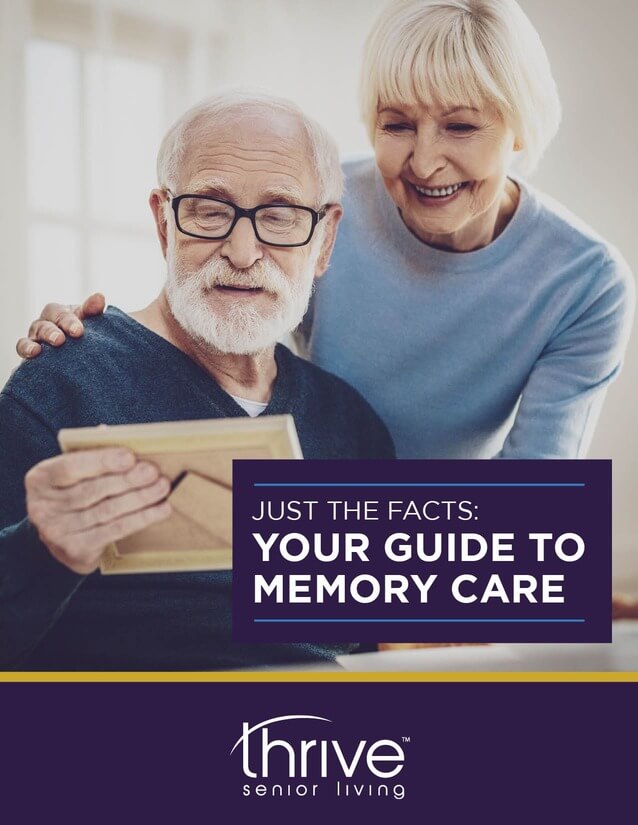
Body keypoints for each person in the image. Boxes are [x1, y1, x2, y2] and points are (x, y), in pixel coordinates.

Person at [22, 0, 634, 460]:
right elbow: (215, 297)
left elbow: (539, 497)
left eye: (461, 128)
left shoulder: (586, 283)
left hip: (447, 534)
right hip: (316, 491)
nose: (423, 163)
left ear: (520, 130)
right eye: (397, 125)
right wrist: (94, 345)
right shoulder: (310, 202)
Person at [0, 92, 394, 671]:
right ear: (164, 223)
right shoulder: (62, 382)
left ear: (325, 240)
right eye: (210, 209)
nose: (241, 250)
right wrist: (44, 551)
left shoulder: (351, 427)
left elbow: (386, 650)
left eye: (279, 215)